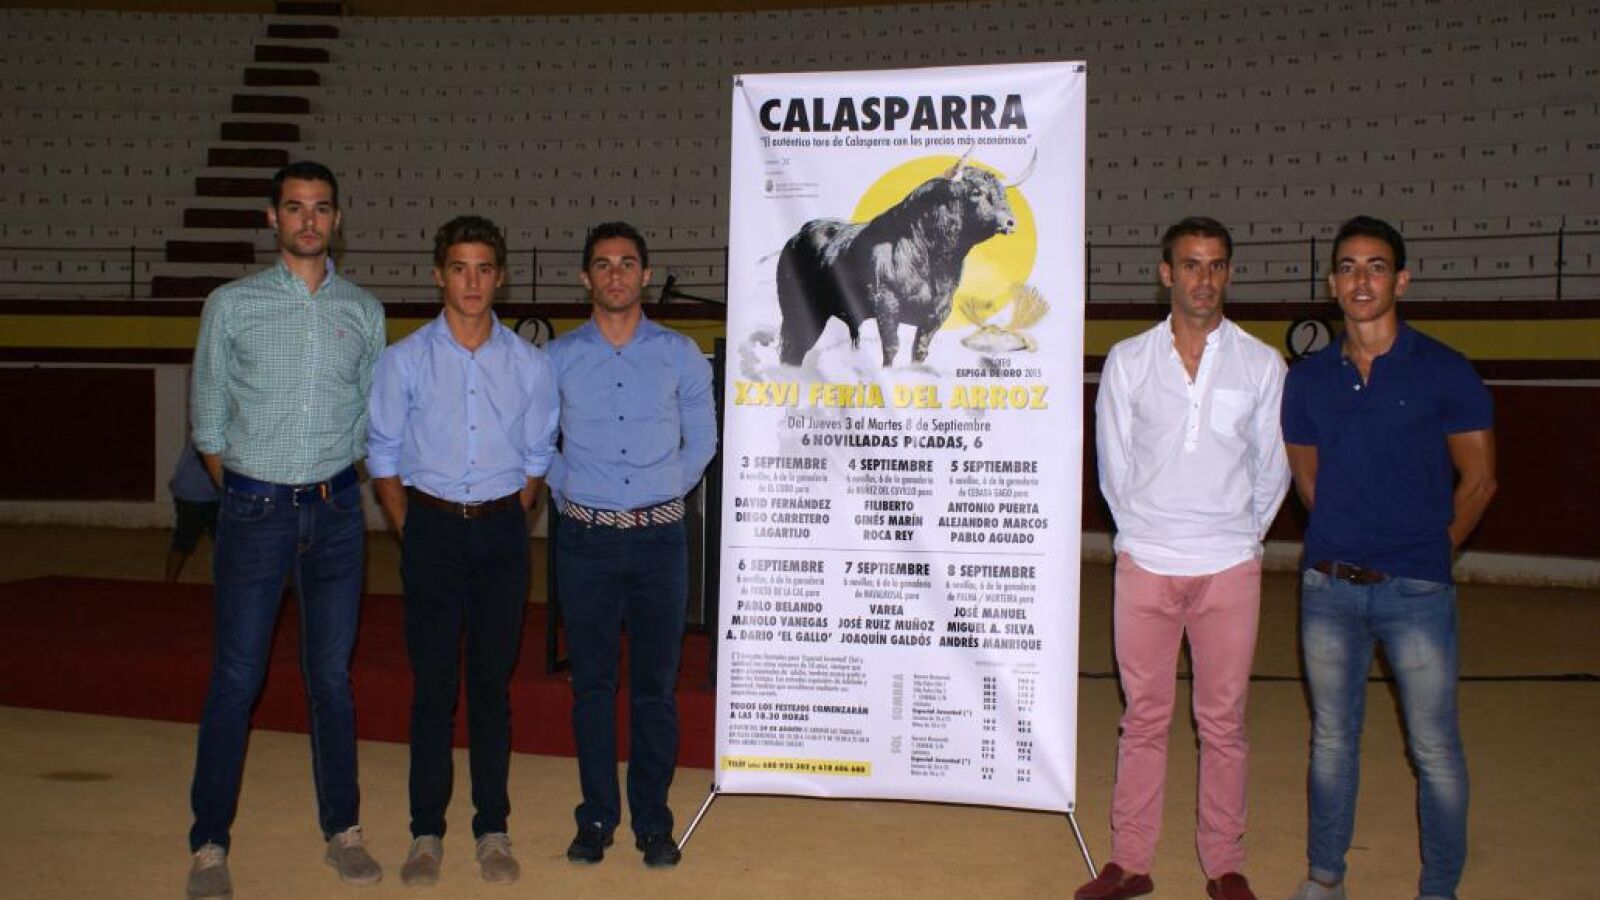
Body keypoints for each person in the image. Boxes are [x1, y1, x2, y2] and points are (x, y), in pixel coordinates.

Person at [185, 161, 387, 900]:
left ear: (338, 219)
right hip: (254, 510)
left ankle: (344, 832)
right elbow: (208, 419)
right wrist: (250, 492)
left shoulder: (364, 311)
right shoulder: (231, 305)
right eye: (295, 207)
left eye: (321, 207)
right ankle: (210, 843)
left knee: (330, 679)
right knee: (237, 678)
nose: (308, 220)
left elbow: (370, 416)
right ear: (273, 218)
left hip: (336, 515)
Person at [1281, 216, 1496, 900]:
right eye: (1348, 267)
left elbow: (1480, 480)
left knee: (1434, 749)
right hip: (1329, 588)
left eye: (1376, 266)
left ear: (1401, 280)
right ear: (1331, 283)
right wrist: (1349, 539)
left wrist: (1429, 553)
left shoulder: (1445, 370)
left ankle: (1438, 891)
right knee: (1331, 741)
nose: (1361, 279)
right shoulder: (1308, 380)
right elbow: (1309, 482)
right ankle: (1325, 879)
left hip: (1416, 592)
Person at [1082, 216, 1290, 900]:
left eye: (1217, 265)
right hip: (1146, 563)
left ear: (1229, 273)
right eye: (1192, 264)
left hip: (1229, 567)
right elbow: (1113, 468)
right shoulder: (1128, 360)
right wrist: (1144, 535)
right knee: (1143, 718)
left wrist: (1241, 538)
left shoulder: (1262, 364)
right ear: (1166, 273)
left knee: (1223, 723)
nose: (1206, 278)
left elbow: (1273, 470)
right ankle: (1130, 861)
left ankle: (1225, 864)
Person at [367, 215, 559, 887]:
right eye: (459, 268)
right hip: (431, 531)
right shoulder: (403, 360)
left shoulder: (531, 365)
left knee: (491, 688)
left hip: (501, 534)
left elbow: (537, 456)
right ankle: (425, 831)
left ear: (499, 277)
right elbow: (383, 454)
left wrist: (510, 515)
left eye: (483, 269)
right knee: (433, 689)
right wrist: (411, 529)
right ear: (438, 275)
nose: (471, 282)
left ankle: (492, 828)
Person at [546, 221, 717, 869]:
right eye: (602, 264)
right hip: (585, 540)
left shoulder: (678, 353)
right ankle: (595, 818)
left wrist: (660, 490)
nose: (614, 274)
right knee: (591, 687)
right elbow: (536, 442)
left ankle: (653, 821)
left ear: (645, 275)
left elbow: (702, 439)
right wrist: (570, 490)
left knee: (655, 688)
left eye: (626, 263)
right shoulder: (557, 359)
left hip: (659, 543)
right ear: (585, 277)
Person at [166, 436, 219, 582]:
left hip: (196, 491)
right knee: (184, 541)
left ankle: (168, 583)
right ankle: (168, 584)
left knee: (185, 540)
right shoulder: (214, 432)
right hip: (195, 492)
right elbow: (209, 460)